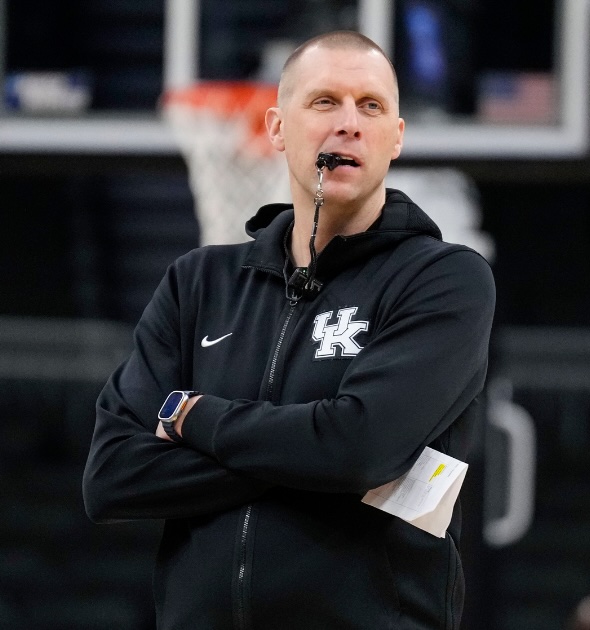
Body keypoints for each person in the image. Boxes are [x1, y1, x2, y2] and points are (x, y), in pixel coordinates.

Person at [83, 30, 495, 629]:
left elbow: (359, 449)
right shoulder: (197, 282)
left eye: (371, 106)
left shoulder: (444, 279)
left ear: (396, 139)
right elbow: (113, 477)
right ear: (276, 128)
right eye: (325, 102)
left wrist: (195, 418)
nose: (349, 123)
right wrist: (312, 452)